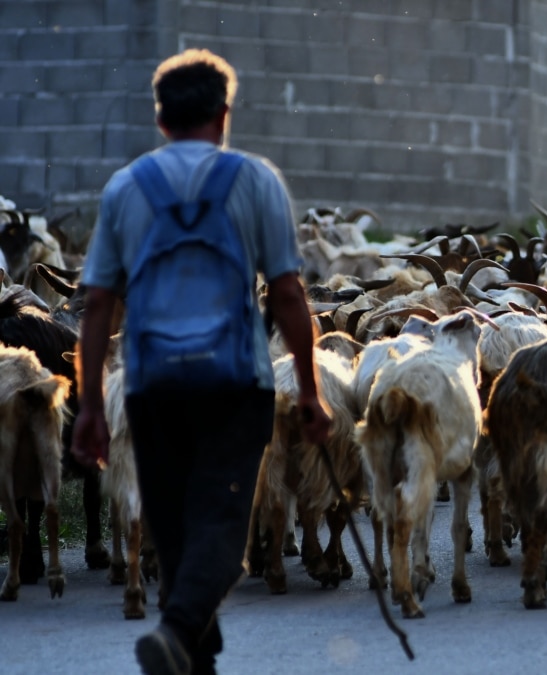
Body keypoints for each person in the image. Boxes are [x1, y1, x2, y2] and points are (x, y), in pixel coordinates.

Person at [71, 49, 331, 675]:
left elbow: (98, 304)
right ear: (224, 115)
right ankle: (180, 630)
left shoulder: (125, 189)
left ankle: (188, 654)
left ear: (160, 120)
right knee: (219, 533)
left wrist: (89, 406)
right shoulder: (256, 180)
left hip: (152, 386)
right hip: (235, 383)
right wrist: (310, 389)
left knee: (177, 538)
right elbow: (289, 293)